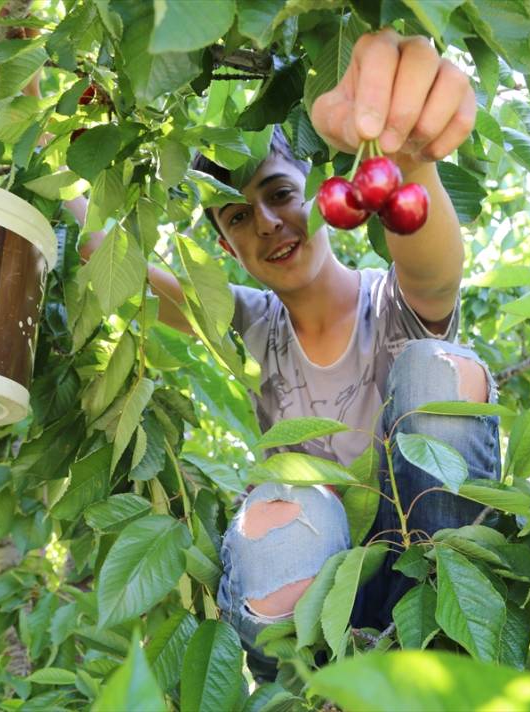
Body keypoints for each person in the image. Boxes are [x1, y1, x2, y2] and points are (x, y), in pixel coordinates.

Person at [69, 29, 501, 677]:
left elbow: (434, 272)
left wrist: (406, 158)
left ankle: (452, 649)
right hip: (317, 594)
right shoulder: (247, 323)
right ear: (226, 248)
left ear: (318, 192)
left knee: (441, 368)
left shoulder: (393, 306)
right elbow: (112, 263)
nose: (267, 223)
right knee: (279, 500)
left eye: (278, 194)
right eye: (238, 218)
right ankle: (302, 687)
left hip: (426, 565)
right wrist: (54, 140)